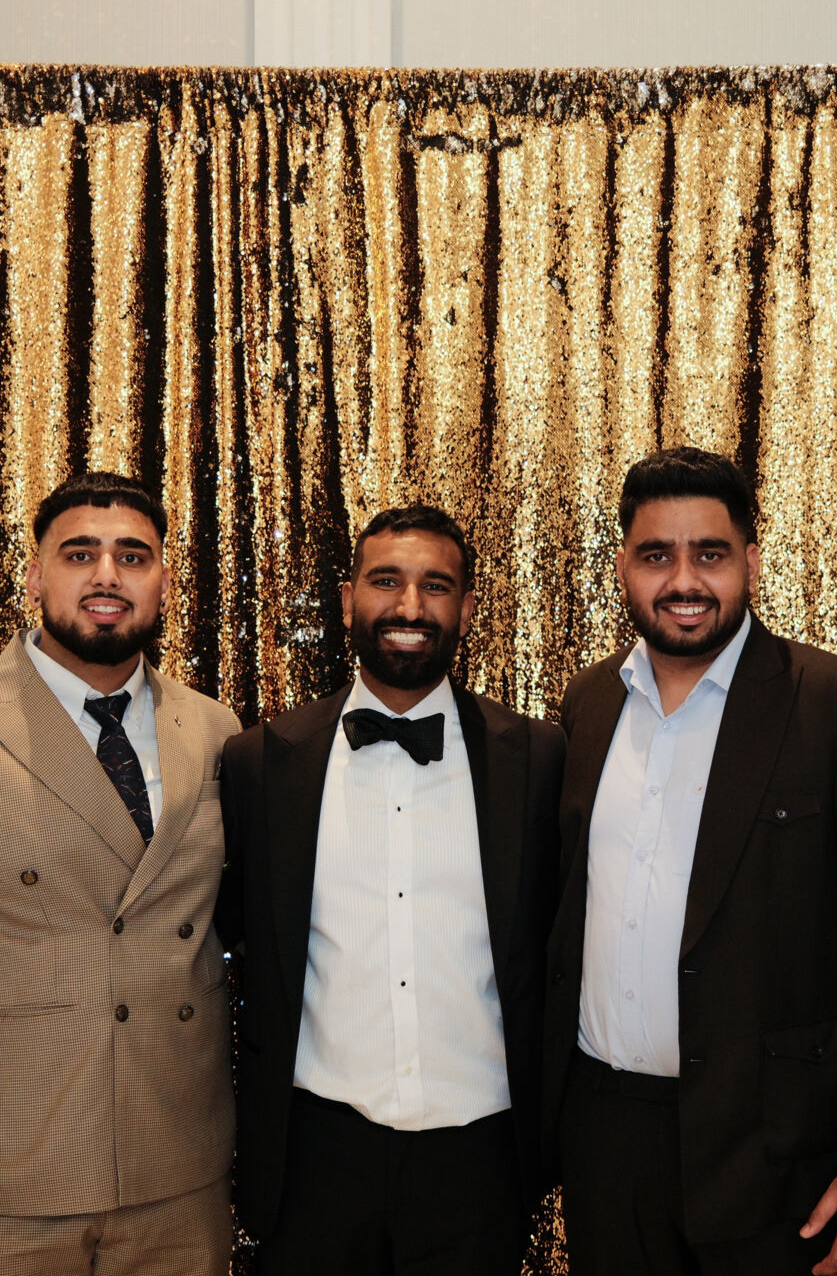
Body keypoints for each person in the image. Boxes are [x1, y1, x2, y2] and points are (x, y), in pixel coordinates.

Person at [543, 447, 837, 1276]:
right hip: (609, 1148)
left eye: (710, 554)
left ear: (751, 563)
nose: (684, 580)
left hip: (781, 1158)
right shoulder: (589, 704)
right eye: (657, 555)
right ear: (623, 568)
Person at [0, 472, 241, 1276]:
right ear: (34, 576)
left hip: (181, 1175)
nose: (106, 576)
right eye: (79, 554)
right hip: (9, 1186)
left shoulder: (213, 728)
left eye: (133, 557)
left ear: (164, 582)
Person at [218, 505, 565, 1275]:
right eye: (386, 582)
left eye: (435, 586)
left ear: (466, 609)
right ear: (349, 600)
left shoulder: (538, 759)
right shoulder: (260, 763)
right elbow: (232, 939)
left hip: (481, 1161)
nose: (410, 607)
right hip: (314, 1157)